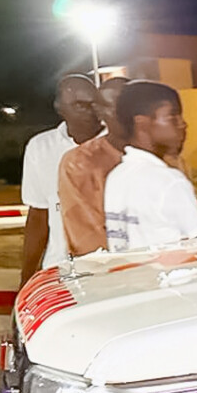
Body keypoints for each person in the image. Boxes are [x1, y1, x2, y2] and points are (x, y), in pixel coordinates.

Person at [104, 81, 197, 252]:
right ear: (142, 123)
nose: (183, 124)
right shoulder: (168, 180)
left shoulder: (116, 176)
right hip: (173, 277)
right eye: (173, 117)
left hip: (133, 276)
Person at [19, 74, 102, 282]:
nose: (87, 109)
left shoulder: (119, 147)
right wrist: (27, 280)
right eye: (78, 104)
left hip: (112, 271)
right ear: (59, 107)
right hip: (60, 271)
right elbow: (38, 216)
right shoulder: (41, 148)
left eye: (93, 102)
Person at [57, 76, 130, 257]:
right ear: (100, 111)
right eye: (118, 106)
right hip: (113, 275)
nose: (127, 114)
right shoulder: (80, 163)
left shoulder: (162, 157)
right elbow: (89, 243)